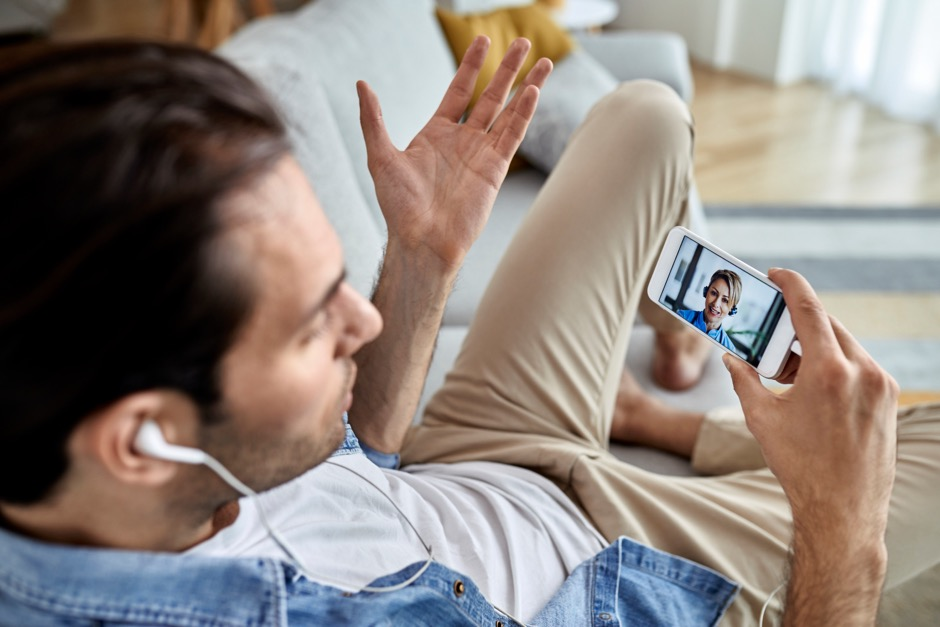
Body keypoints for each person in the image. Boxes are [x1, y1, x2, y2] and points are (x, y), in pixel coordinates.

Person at [0, 37, 937, 627]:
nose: (361, 321)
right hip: (620, 569)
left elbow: (343, 470)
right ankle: (721, 445)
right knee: (904, 440)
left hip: (470, 458)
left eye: (342, 285)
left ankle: (658, 422)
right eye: (308, 328)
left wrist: (421, 259)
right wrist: (841, 530)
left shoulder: (121, 465)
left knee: (642, 117)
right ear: (140, 440)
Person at [677, 269, 742, 352]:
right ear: (706, 292)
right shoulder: (681, 317)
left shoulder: (729, 350)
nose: (716, 304)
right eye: (714, 293)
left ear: (732, 309)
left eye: (725, 300)